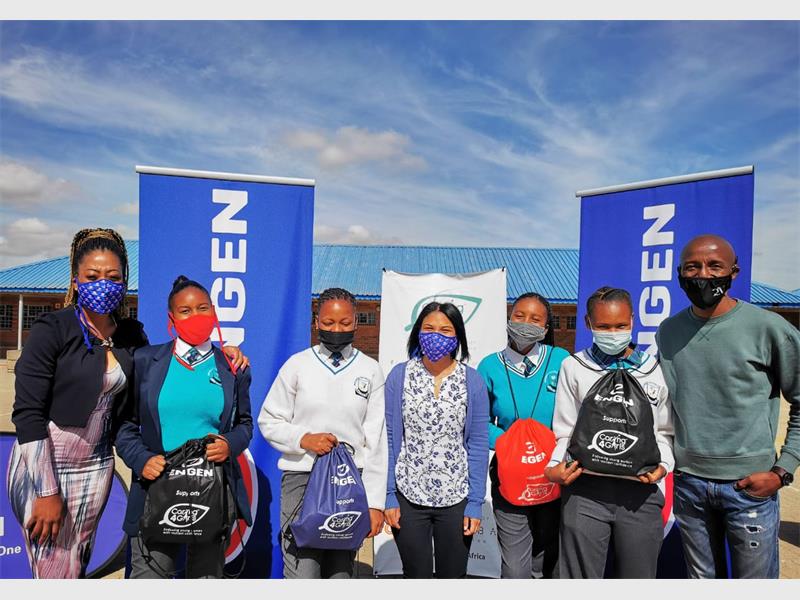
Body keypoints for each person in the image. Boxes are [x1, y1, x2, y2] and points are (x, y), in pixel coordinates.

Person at [656, 234, 800, 579]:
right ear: (679, 274)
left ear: (733, 272)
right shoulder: (668, 332)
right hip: (690, 486)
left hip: (750, 487)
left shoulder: (769, 329)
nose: (703, 275)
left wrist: (782, 471)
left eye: (714, 266)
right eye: (692, 267)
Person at [115, 275, 253, 579]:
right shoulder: (144, 361)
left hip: (211, 493)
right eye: (185, 311)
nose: (196, 316)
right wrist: (141, 459)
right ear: (171, 318)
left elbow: (244, 424)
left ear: (214, 312)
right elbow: (124, 424)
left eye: (203, 308)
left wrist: (230, 444)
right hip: (155, 491)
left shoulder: (233, 367)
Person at [545, 286, 674, 579]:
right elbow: (566, 430)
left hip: (640, 494)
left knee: (638, 579)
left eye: (620, 325)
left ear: (633, 320)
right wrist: (554, 467)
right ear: (588, 323)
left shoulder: (655, 369)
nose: (613, 333)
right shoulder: (574, 367)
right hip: (585, 492)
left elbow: (664, 432)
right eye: (603, 326)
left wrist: (663, 466)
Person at [258, 287, 387, 579]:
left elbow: (376, 441)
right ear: (316, 322)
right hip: (302, 479)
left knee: (340, 574)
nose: (336, 329)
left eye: (344, 322)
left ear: (356, 322)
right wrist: (304, 439)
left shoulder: (370, 370)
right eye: (329, 322)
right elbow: (269, 420)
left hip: (348, 484)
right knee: (303, 571)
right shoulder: (297, 365)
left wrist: (375, 504)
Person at [383, 301, 490, 579]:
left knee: (452, 577)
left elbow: (478, 444)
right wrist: (389, 495)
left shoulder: (472, 380)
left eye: (445, 330)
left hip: (456, 498)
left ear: (457, 336)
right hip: (408, 496)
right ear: (418, 332)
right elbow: (391, 439)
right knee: (415, 575)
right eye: (429, 328)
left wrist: (475, 501)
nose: (436, 336)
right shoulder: (400, 376)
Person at [477, 292, 569, 579]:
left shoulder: (561, 360)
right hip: (510, 474)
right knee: (515, 568)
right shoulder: (490, 366)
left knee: (550, 560)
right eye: (519, 316)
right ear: (509, 318)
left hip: (554, 473)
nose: (526, 323)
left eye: (535, 319)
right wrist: (508, 443)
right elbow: (479, 421)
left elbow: (575, 413)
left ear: (546, 327)